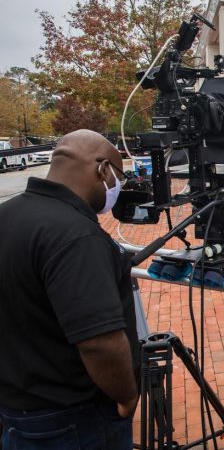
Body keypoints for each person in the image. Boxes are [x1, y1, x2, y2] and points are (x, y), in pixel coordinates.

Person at [0, 129, 140, 449]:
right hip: (73, 423)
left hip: (18, 414)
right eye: (118, 175)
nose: (118, 186)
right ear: (102, 170)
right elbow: (99, 342)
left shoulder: (8, 214)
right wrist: (127, 395)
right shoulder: (76, 236)